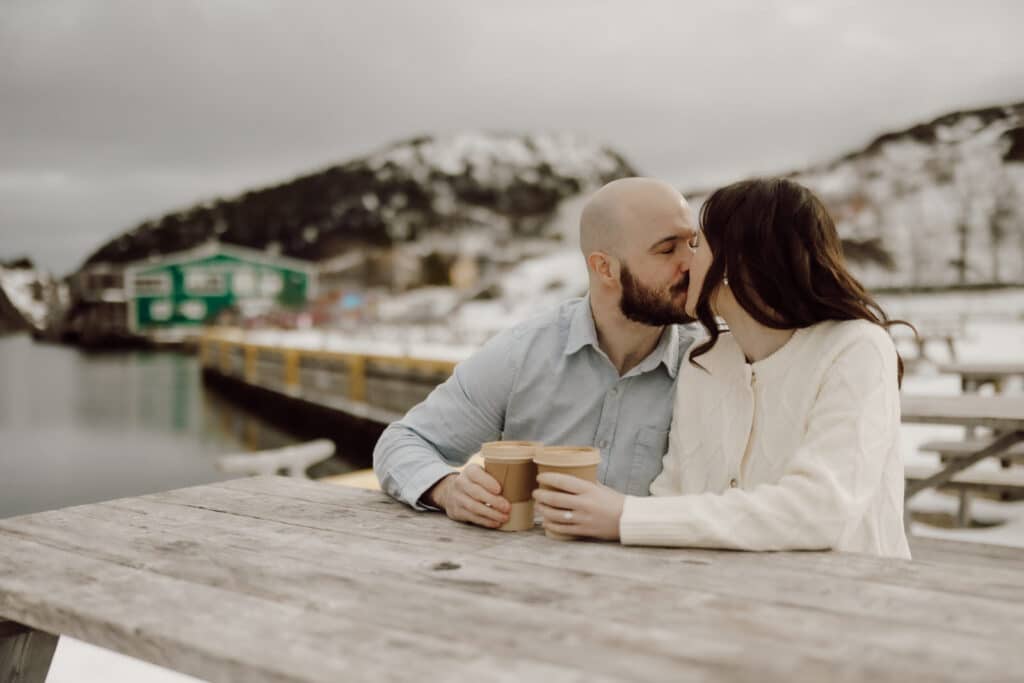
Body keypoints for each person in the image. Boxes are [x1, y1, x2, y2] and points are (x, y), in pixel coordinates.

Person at [533, 177, 913, 559]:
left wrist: (625, 516)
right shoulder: (704, 362)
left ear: (737, 262)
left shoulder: (855, 349)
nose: (685, 262)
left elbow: (819, 511)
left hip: (852, 603)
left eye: (696, 244)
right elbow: (672, 496)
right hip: (720, 601)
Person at [373, 178, 701, 527]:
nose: (692, 263)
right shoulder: (522, 353)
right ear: (605, 267)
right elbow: (402, 442)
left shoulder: (710, 361)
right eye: (667, 250)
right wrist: (447, 489)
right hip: (525, 572)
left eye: (693, 243)